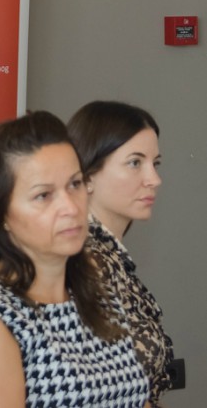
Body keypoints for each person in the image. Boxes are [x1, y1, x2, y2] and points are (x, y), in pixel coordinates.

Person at [0, 112, 149, 407]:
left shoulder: (95, 291)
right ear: (0, 214)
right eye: (44, 196)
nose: (70, 207)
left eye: (75, 184)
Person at [68, 101, 175, 406]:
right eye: (135, 163)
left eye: (155, 163)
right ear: (87, 175)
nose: (154, 179)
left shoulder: (109, 256)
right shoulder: (84, 262)